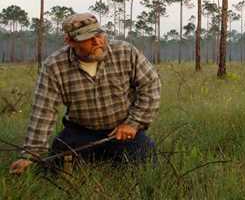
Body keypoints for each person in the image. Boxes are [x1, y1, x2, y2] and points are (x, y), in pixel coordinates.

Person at [9, 13, 161, 174]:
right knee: (54, 171)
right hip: (79, 132)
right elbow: (43, 111)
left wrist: (134, 123)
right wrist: (31, 155)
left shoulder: (125, 52)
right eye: (88, 38)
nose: (98, 41)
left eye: (99, 34)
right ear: (70, 41)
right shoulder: (54, 66)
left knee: (147, 167)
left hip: (122, 132)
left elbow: (151, 85)